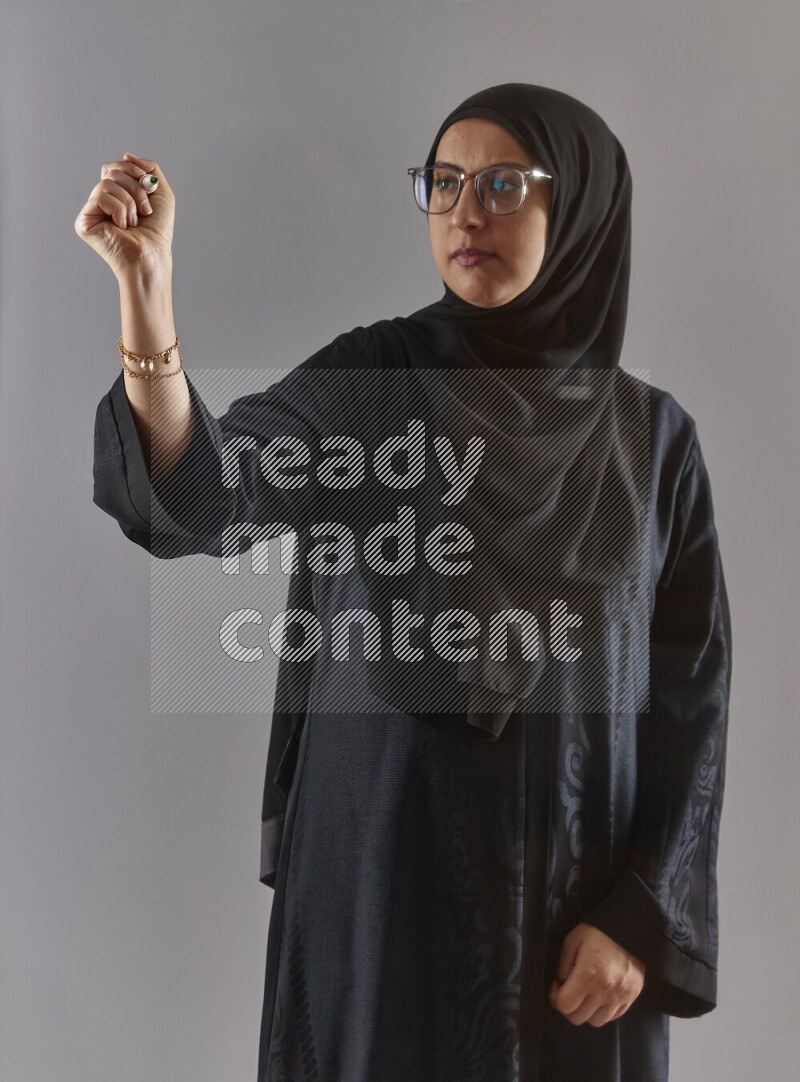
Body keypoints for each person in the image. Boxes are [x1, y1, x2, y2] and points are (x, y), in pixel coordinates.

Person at [76, 83, 732, 1082]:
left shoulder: (651, 443)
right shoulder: (373, 384)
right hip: (379, 889)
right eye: (443, 181)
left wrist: (640, 916)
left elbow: (691, 703)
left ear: (583, 206)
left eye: (504, 183)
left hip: (571, 920)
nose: (465, 211)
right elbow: (209, 492)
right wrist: (147, 293)